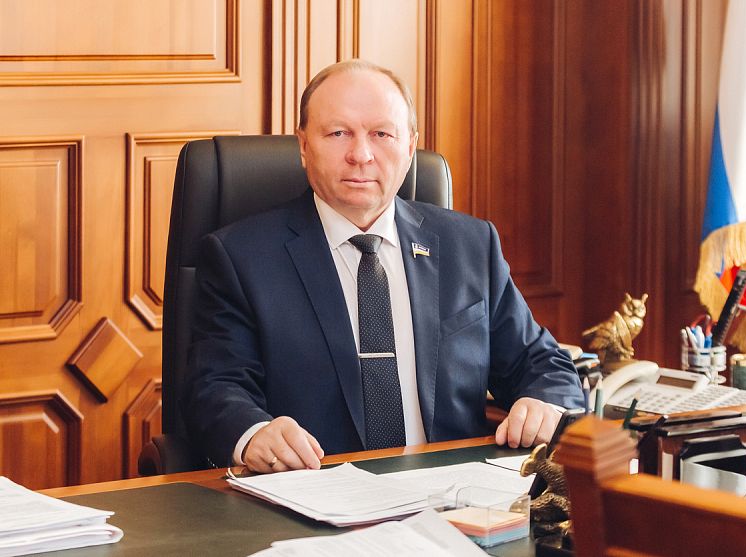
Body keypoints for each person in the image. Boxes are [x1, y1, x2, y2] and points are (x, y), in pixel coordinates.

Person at [183, 59, 583, 474]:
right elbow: (216, 386)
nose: (360, 155)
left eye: (381, 134)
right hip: (315, 492)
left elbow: (541, 362)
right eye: (338, 133)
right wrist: (254, 433)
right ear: (303, 145)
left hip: (452, 493)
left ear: (409, 146)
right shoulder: (242, 257)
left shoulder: (469, 245)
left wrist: (544, 402)